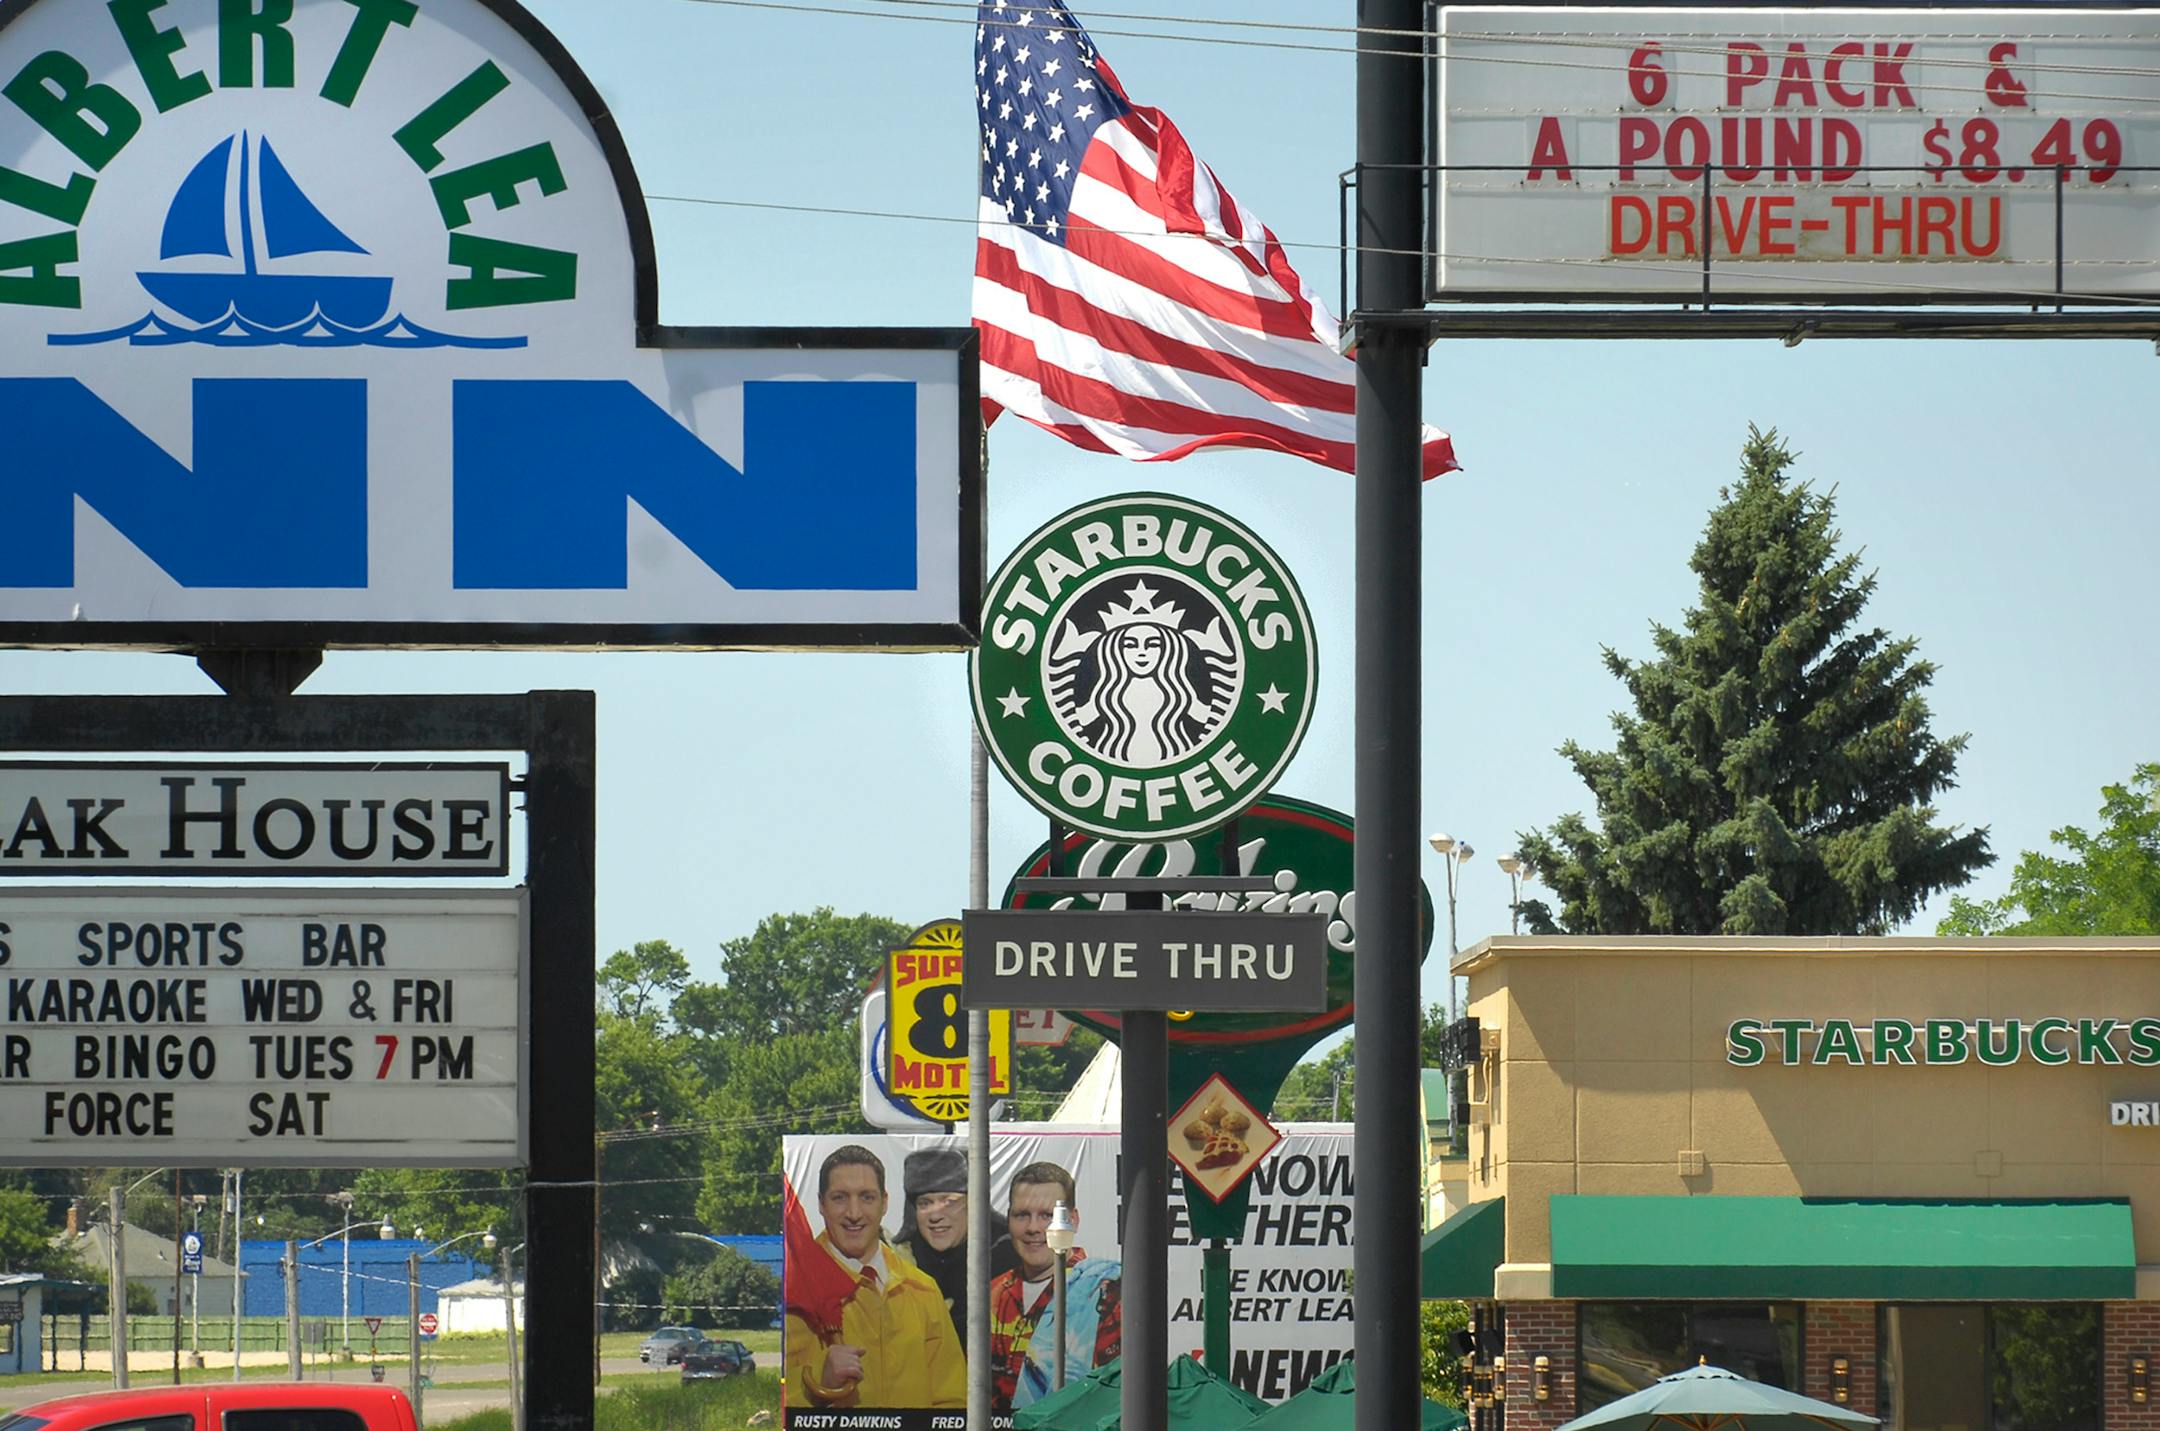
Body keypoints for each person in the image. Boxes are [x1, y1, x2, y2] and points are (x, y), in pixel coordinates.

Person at [784, 1144, 967, 1410]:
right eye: (840, 1198)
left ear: (885, 1203)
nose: (854, 1213)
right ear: (821, 1205)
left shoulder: (923, 1289)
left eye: (867, 1197)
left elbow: (953, 1400)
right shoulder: (795, 1289)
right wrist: (818, 1386)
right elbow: (775, 1400)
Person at [987, 1161, 1122, 1411]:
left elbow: (1115, 1397)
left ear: (1073, 1220)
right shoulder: (992, 1295)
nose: (1033, 1228)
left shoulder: (1105, 1291)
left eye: (1048, 1215)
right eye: (1022, 1215)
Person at [890, 1146, 1014, 1340]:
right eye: (925, 1203)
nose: (935, 1215)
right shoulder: (902, 1261)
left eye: (949, 1201)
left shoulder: (1008, 1255)